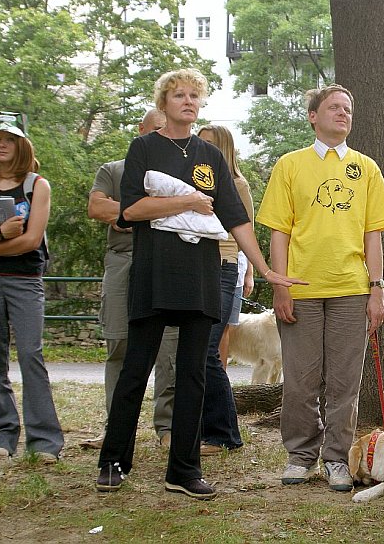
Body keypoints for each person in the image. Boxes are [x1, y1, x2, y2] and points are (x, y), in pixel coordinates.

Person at [95, 68, 304, 500]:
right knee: (136, 370)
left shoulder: (209, 156)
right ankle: (114, 460)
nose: (188, 102)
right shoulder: (144, 148)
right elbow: (131, 210)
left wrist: (264, 269)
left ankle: (184, 471)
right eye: (178, 95)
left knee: (194, 376)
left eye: (194, 95)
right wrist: (187, 201)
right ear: (163, 103)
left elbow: (236, 218)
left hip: (202, 277)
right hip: (154, 275)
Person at [256, 84, 384, 492]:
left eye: (348, 108)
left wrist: (377, 289)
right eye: (333, 107)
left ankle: (337, 458)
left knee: (343, 382)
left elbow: (374, 235)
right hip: (300, 289)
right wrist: (280, 286)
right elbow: (278, 232)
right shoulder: (290, 165)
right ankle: (300, 456)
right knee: (301, 380)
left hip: (351, 289)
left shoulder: (366, 167)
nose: (342, 113)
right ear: (313, 117)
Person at [0, 111, 64, 463]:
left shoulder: (37, 185)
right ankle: (0, 436)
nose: (1, 145)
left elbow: (31, 240)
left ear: (21, 144)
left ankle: (44, 442)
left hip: (25, 281)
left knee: (30, 355)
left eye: (8, 139)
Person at [86, 109, 178, 450]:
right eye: (156, 129)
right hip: (123, 262)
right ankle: (116, 427)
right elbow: (96, 208)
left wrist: (125, 212)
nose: (162, 136)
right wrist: (146, 208)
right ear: (140, 131)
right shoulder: (113, 170)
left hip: (165, 264)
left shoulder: (179, 173)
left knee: (169, 349)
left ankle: (167, 427)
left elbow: (187, 211)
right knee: (119, 345)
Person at [195, 124, 255, 455]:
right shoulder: (191, 182)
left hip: (222, 266)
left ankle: (224, 434)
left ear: (223, 149)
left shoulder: (236, 184)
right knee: (196, 351)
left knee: (209, 351)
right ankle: (204, 429)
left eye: (207, 145)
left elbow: (242, 229)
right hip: (194, 268)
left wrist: (252, 273)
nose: (200, 150)